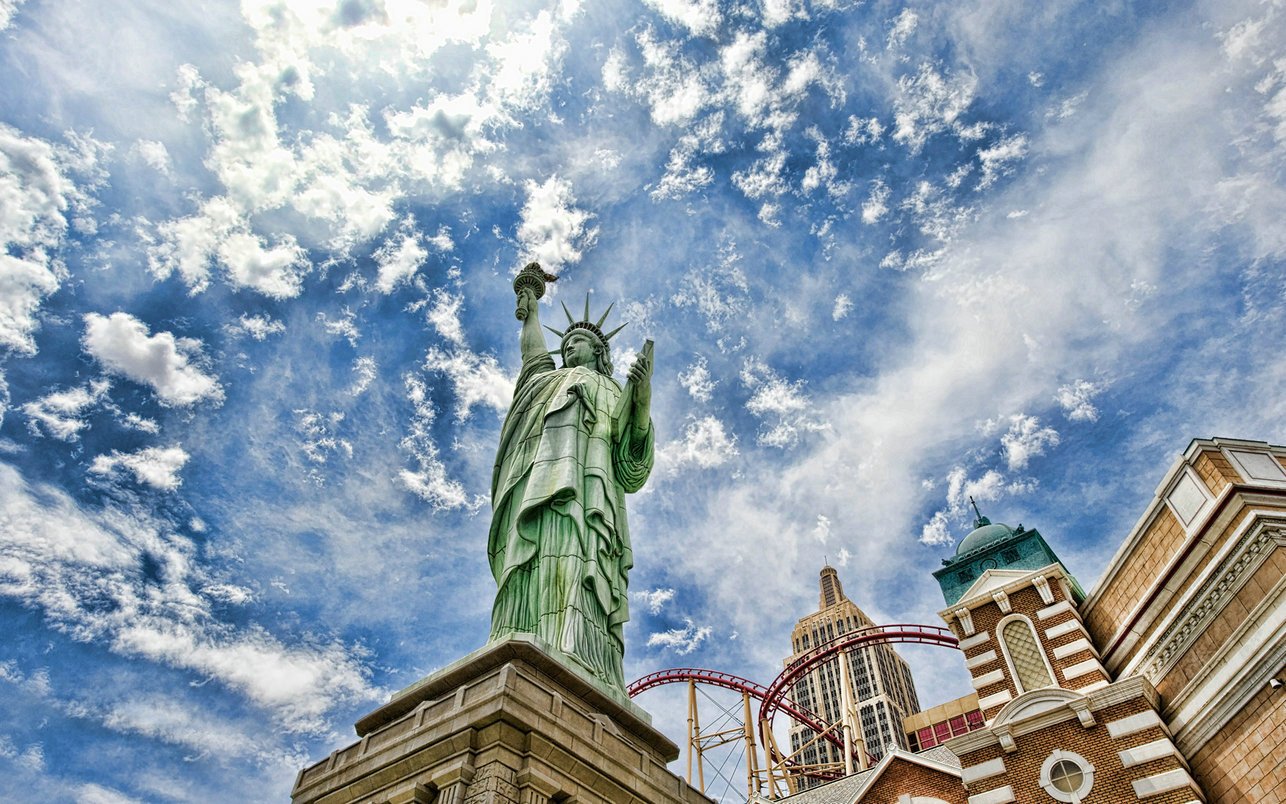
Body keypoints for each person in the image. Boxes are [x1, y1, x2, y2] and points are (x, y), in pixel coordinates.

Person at [487, 283, 653, 689]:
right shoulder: (548, 379)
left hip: (590, 495)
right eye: (567, 343)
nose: (569, 349)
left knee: (581, 566)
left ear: (599, 351)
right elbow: (533, 356)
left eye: (577, 343)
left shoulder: (613, 389)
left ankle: (581, 650)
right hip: (538, 489)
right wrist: (529, 313)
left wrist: (642, 400)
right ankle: (521, 635)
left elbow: (631, 462)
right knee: (533, 562)